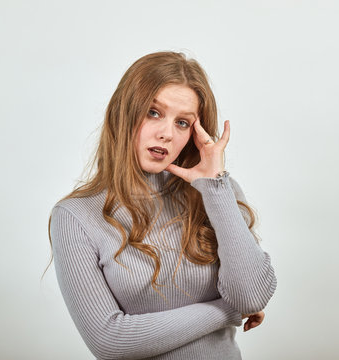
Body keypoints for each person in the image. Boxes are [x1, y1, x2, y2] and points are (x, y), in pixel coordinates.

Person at [48, 51, 277, 359]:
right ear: (123, 113)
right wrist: (226, 310)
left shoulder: (216, 193)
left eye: (182, 123)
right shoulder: (76, 216)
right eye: (153, 113)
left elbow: (250, 295)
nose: (166, 133)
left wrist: (215, 186)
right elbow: (110, 341)